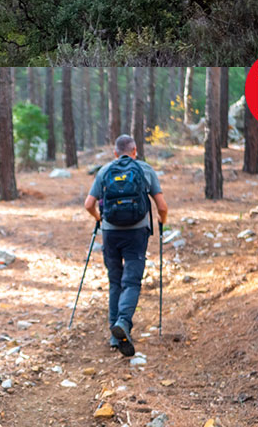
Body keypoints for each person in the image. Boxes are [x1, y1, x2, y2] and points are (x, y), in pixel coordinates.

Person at [84, 134, 169, 357]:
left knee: (115, 281)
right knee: (131, 282)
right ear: (135, 151)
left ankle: (115, 335)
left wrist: (98, 218)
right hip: (136, 233)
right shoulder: (145, 170)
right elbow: (162, 206)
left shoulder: (104, 171)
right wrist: (163, 220)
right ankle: (122, 321)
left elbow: (88, 204)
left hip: (111, 233)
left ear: (115, 153)